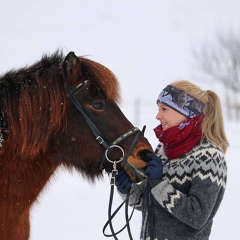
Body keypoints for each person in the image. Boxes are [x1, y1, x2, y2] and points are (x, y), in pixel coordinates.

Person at [115, 80, 229, 240]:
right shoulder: (164, 149)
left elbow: (197, 217)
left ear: (186, 112)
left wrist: (159, 184)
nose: (158, 115)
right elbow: (152, 205)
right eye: (158, 109)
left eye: (164, 109)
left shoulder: (209, 156)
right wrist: (127, 190)